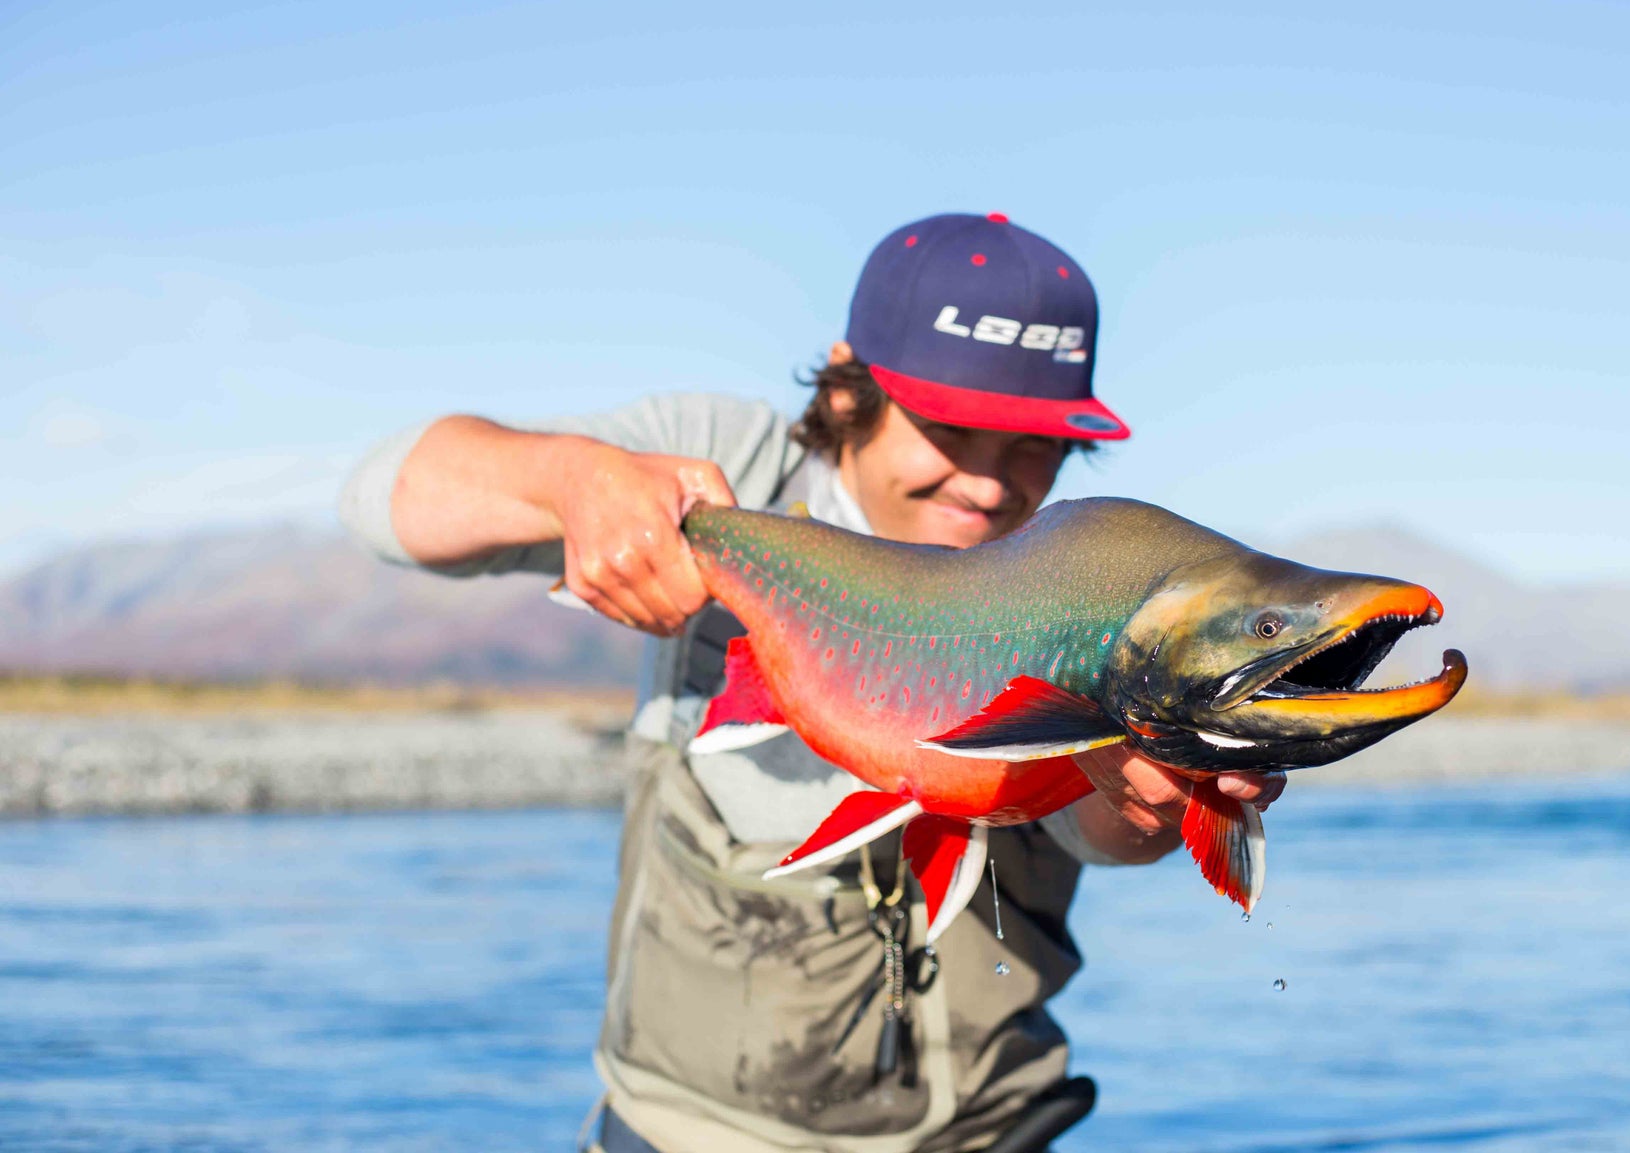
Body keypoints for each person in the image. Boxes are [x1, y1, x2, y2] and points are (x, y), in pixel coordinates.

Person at [338, 213, 1285, 1153]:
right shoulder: (725, 466)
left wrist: (1159, 798)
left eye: (1035, 443)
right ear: (845, 389)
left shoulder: (1079, 574)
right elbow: (387, 498)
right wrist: (569, 480)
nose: (991, 485)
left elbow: (1100, 832)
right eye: (952, 428)